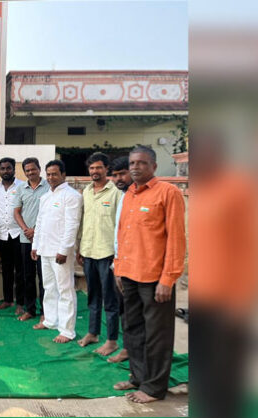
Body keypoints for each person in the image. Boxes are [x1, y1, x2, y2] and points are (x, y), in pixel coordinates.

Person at [112, 146, 186, 403]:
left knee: (157, 334)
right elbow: (123, 236)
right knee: (132, 329)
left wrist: (168, 279)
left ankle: (154, 388)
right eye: (132, 162)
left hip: (155, 279)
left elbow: (176, 240)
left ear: (153, 166)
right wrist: (119, 270)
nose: (135, 167)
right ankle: (138, 377)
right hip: (128, 275)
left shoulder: (168, 193)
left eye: (141, 163)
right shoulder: (129, 195)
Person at [76, 153, 123, 356]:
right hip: (88, 252)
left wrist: (119, 255)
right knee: (92, 296)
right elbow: (83, 223)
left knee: (111, 300)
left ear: (106, 169)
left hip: (108, 254)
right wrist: (79, 248)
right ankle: (92, 333)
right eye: (92, 168)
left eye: (99, 168)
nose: (95, 171)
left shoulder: (116, 194)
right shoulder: (86, 192)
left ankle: (112, 340)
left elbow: (121, 227)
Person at [31, 160, 83, 343]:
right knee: (49, 288)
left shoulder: (72, 196)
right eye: (49, 174)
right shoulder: (46, 197)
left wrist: (64, 250)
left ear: (63, 175)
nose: (51, 177)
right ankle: (51, 321)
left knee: (65, 290)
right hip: (44, 250)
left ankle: (67, 331)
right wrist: (35, 246)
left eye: (54, 174)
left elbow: (71, 226)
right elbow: (40, 224)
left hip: (60, 252)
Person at [12, 157, 49, 321]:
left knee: (43, 278)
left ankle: (45, 313)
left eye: (33, 169)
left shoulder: (49, 187)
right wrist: (26, 229)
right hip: (26, 239)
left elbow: (50, 213)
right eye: (27, 170)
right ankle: (30, 310)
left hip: (43, 239)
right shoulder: (21, 188)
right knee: (28, 277)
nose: (30, 172)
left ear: (39, 169)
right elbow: (16, 212)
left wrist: (36, 230)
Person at [107, 156, 132, 364]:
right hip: (120, 262)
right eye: (114, 175)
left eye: (122, 173)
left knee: (135, 314)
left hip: (139, 267)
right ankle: (126, 348)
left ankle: (131, 351)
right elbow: (119, 232)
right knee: (123, 308)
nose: (118, 179)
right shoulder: (124, 196)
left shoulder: (141, 196)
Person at [0, 158, 25, 311]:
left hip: (18, 233)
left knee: (20, 270)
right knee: (6, 269)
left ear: (14, 169)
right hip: (2, 234)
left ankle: (20, 302)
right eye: (3, 168)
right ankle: (7, 300)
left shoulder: (22, 186)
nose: (6, 171)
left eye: (8, 168)